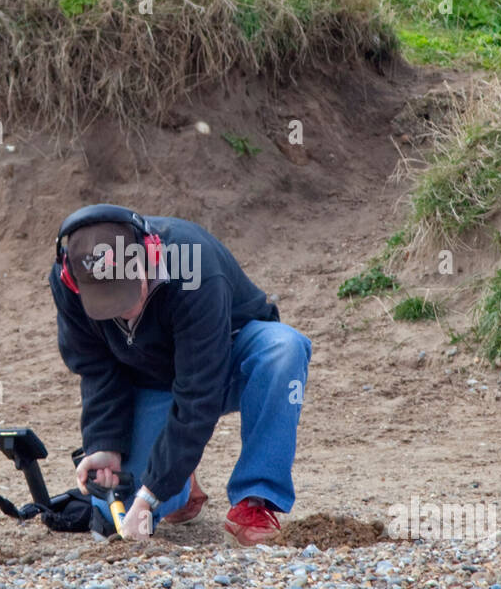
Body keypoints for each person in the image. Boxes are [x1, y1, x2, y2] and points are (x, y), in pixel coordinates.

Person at [49, 204, 312, 545]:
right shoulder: (67, 281)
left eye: (128, 292)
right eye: (106, 300)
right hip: (152, 379)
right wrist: (105, 444)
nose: (124, 310)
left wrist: (151, 495)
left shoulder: (193, 265)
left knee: (284, 348)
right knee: (117, 514)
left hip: (224, 363)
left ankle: (255, 499)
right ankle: (182, 482)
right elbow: (97, 368)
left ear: (150, 257)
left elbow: (198, 395)